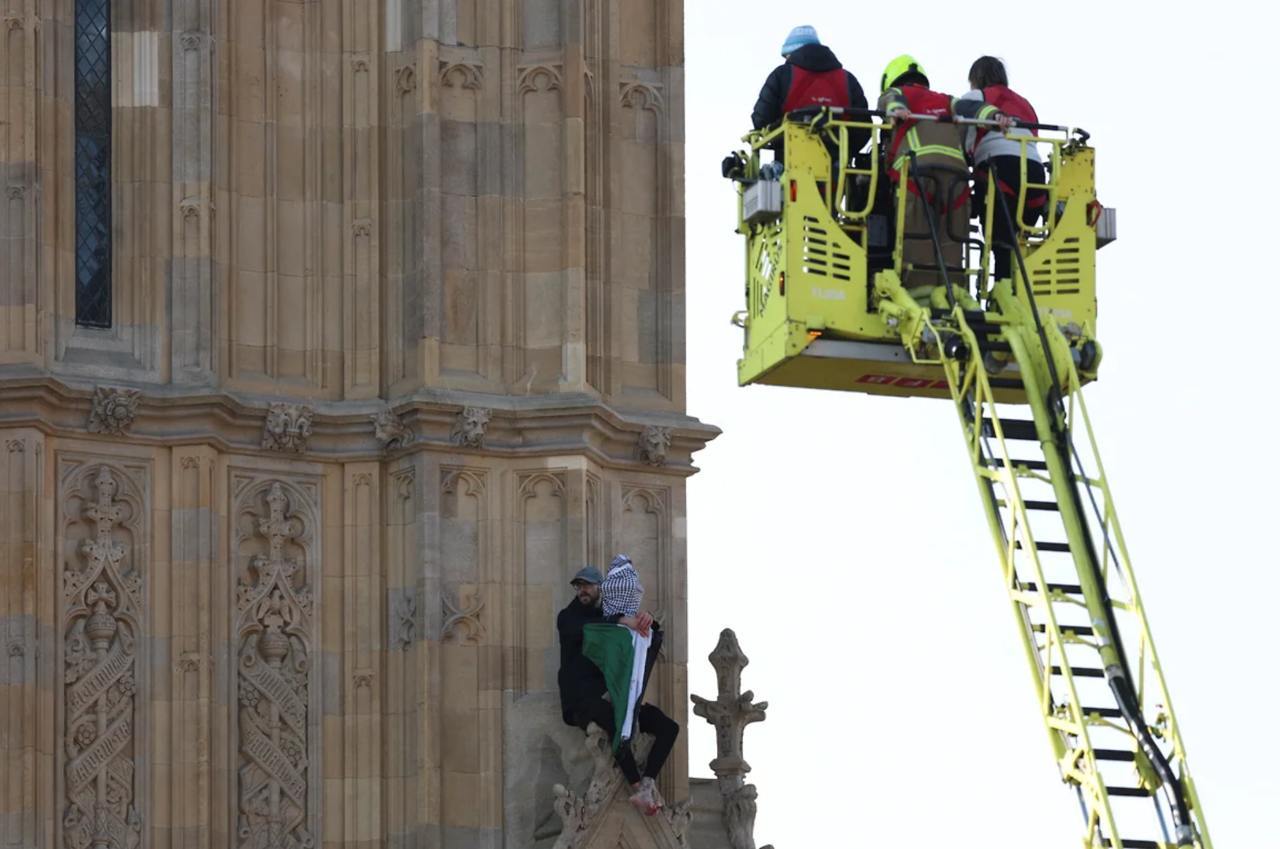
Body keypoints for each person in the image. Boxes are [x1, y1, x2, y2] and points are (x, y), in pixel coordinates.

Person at [877, 54, 1008, 297]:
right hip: (957, 178)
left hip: (918, 174)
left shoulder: (899, 93)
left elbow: (889, 100)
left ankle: (923, 298)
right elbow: (970, 109)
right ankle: (954, 297)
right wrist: (993, 116)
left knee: (919, 244)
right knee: (952, 243)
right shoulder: (945, 100)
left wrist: (896, 110)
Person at [557, 565, 679, 816]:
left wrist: (647, 622)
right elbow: (588, 627)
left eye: (588, 585)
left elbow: (641, 635)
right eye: (578, 586)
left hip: (614, 698)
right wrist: (623, 620)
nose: (582, 590)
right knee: (615, 721)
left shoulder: (608, 616)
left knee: (668, 727)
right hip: (581, 702)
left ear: (600, 588)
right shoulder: (569, 617)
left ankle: (647, 783)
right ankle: (636, 786)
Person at [961, 56, 1047, 282]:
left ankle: (1001, 291)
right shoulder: (1025, 104)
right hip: (1035, 174)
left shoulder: (977, 98)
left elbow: (964, 143)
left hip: (1000, 168)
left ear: (975, 79)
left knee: (999, 240)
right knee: (1016, 240)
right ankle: (1012, 292)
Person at [751, 26, 871, 159]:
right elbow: (864, 127)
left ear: (793, 52)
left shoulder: (782, 74)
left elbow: (761, 119)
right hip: (839, 168)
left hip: (790, 165)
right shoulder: (848, 79)